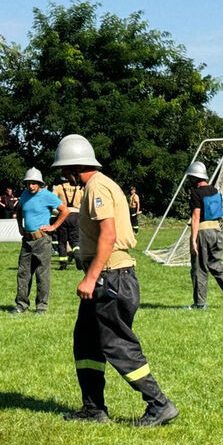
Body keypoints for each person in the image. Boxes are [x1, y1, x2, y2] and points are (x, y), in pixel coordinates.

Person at [52, 133, 178, 428]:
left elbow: (108, 235)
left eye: (63, 170)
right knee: (86, 342)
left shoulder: (97, 188)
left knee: (117, 344)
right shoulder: (98, 185)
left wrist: (91, 277)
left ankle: (159, 404)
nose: (62, 176)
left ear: (73, 166)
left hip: (111, 279)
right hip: (106, 277)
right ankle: (93, 408)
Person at [186, 162, 223, 310]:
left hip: (203, 232)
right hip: (217, 231)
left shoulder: (196, 193)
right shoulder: (215, 191)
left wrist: (193, 240)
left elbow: (196, 217)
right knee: (216, 264)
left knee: (199, 268)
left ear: (194, 177)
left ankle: (200, 304)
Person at [13, 167, 68, 314]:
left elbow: (65, 210)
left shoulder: (48, 195)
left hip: (42, 240)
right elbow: (19, 210)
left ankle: (41, 306)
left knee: (41, 273)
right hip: (27, 240)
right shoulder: (24, 194)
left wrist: (53, 226)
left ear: (40, 183)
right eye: (28, 183)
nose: (31, 186)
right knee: (23, 273)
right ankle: (21, 305)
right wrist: (20, 226)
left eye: (34, 183)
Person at [53, 172, 82, 270]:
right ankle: (77, 253)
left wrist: (57, 212)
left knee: (62, 241)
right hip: (76, 215)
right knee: (76, 239)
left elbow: (52, 200)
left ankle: (63, 264)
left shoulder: (58, 188)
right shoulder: (78, 188)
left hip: (63, 215)